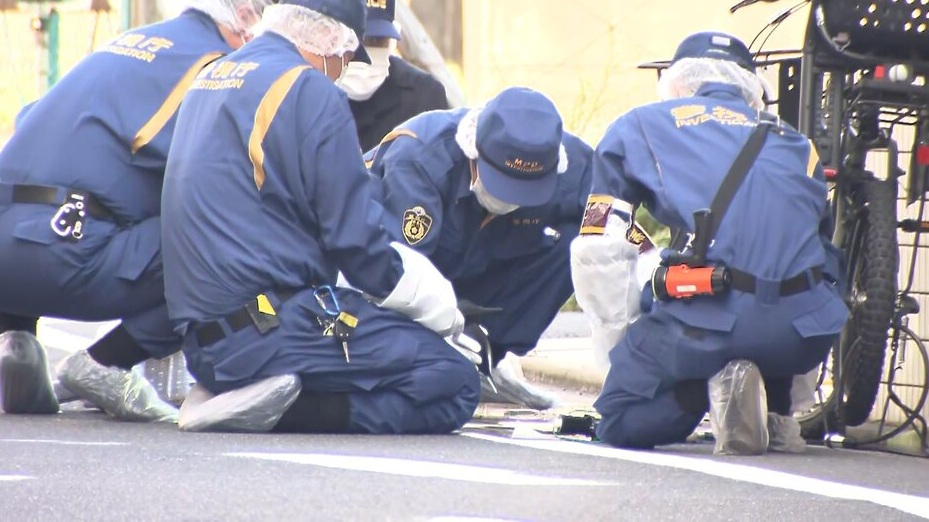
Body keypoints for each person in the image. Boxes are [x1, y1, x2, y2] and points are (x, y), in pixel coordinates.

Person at [161, 0, 480, 435]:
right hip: (268, 331)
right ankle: (276, 411)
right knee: (455, 380)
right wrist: (426, 301)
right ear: (332, 38)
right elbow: (356, 242)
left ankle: (240, 391)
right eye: (348, 56)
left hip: (202, 342)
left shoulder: (215, 74)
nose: (345, 69)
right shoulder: (311, 91)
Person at [571, 32, 848, 454]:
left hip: (711, 322)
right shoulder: (797, 144)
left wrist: (618, 345)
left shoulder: (642, 125)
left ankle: (711, 386)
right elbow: (822, 253)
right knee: (773, 292)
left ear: (679, 84)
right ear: (751, 89)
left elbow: (600, 246)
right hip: (801, 336)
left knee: (621, 419)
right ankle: (777, 412)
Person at [0, 0, 271, 421]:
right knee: (239, 238)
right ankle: (105, 361)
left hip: (10, 243)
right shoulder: (218, 68)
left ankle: (17, 342)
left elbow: (29, 123)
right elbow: (217, 183)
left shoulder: (128, 43)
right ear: (249, 21)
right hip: (67, 254)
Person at [365, 87, 594, 410]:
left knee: (580, 242)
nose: (510, 199)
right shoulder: (418, 158)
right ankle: (430, 357)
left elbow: (617, 231)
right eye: (501, 181)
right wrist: (445, 328)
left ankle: (488, 359)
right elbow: (399, 270)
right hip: (398, 277)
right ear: (474, 152)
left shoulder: (574, 164)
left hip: (482, 260)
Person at [341, 0, 449, 152]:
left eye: (376, 41)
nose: (365, 55)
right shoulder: (309, 95)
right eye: (355, 42)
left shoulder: (424, 97)